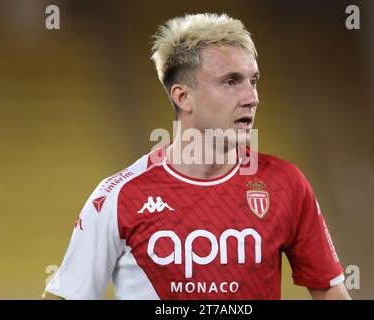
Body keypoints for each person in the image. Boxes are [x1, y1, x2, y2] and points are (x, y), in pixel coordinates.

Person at [43, 13, 351, 300]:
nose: (252, 97)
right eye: (231, 81)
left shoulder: (286, 184)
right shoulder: (117, 197)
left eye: (253, 80)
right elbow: (67, 292)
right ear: (182, 96)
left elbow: (331, 292)